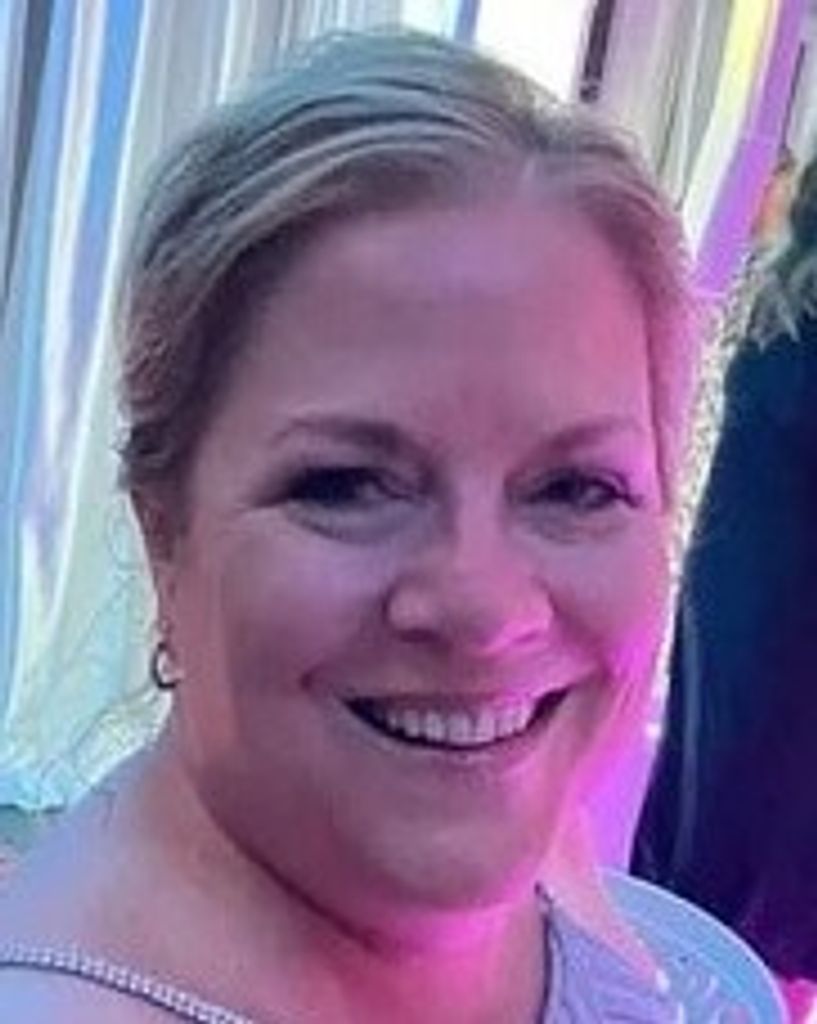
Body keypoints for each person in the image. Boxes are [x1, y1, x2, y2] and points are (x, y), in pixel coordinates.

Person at [0, 28, 705, 1022]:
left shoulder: (506, 822)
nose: (485, 610)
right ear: (165, 534)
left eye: (576, 488)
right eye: (345, 485)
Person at [633, 150, 817, 1021]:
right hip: (783, 627)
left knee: (731, 818)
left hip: (741, 609)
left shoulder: (776, 302)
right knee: (775, 845)